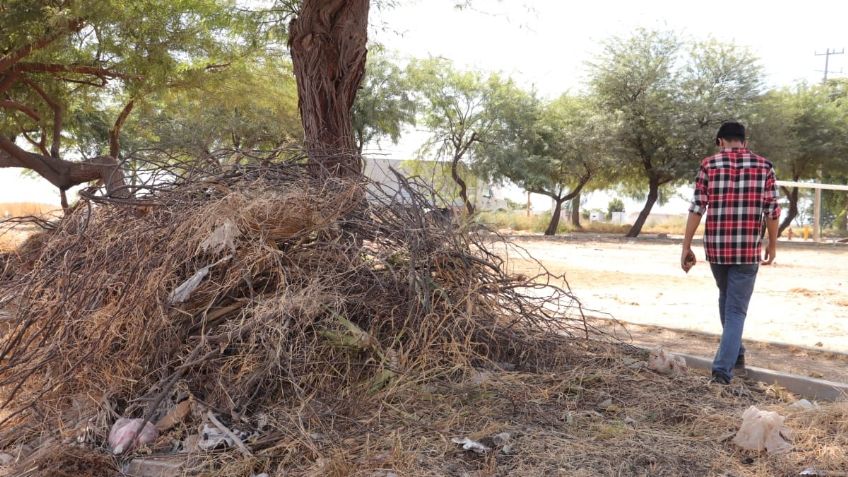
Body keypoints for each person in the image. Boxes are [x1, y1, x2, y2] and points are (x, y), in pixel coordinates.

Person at [681, 121, 781, 385]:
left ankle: (734, 358)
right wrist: (772, 244)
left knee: (727, 301)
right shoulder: (764, 166)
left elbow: (696, 208)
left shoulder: (709, 165)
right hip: (748, 250)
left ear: (720, 141)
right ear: (744, 142)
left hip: (717, 248)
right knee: (735, 309)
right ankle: (723, 371)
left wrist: (686, 245)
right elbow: (772, 210)